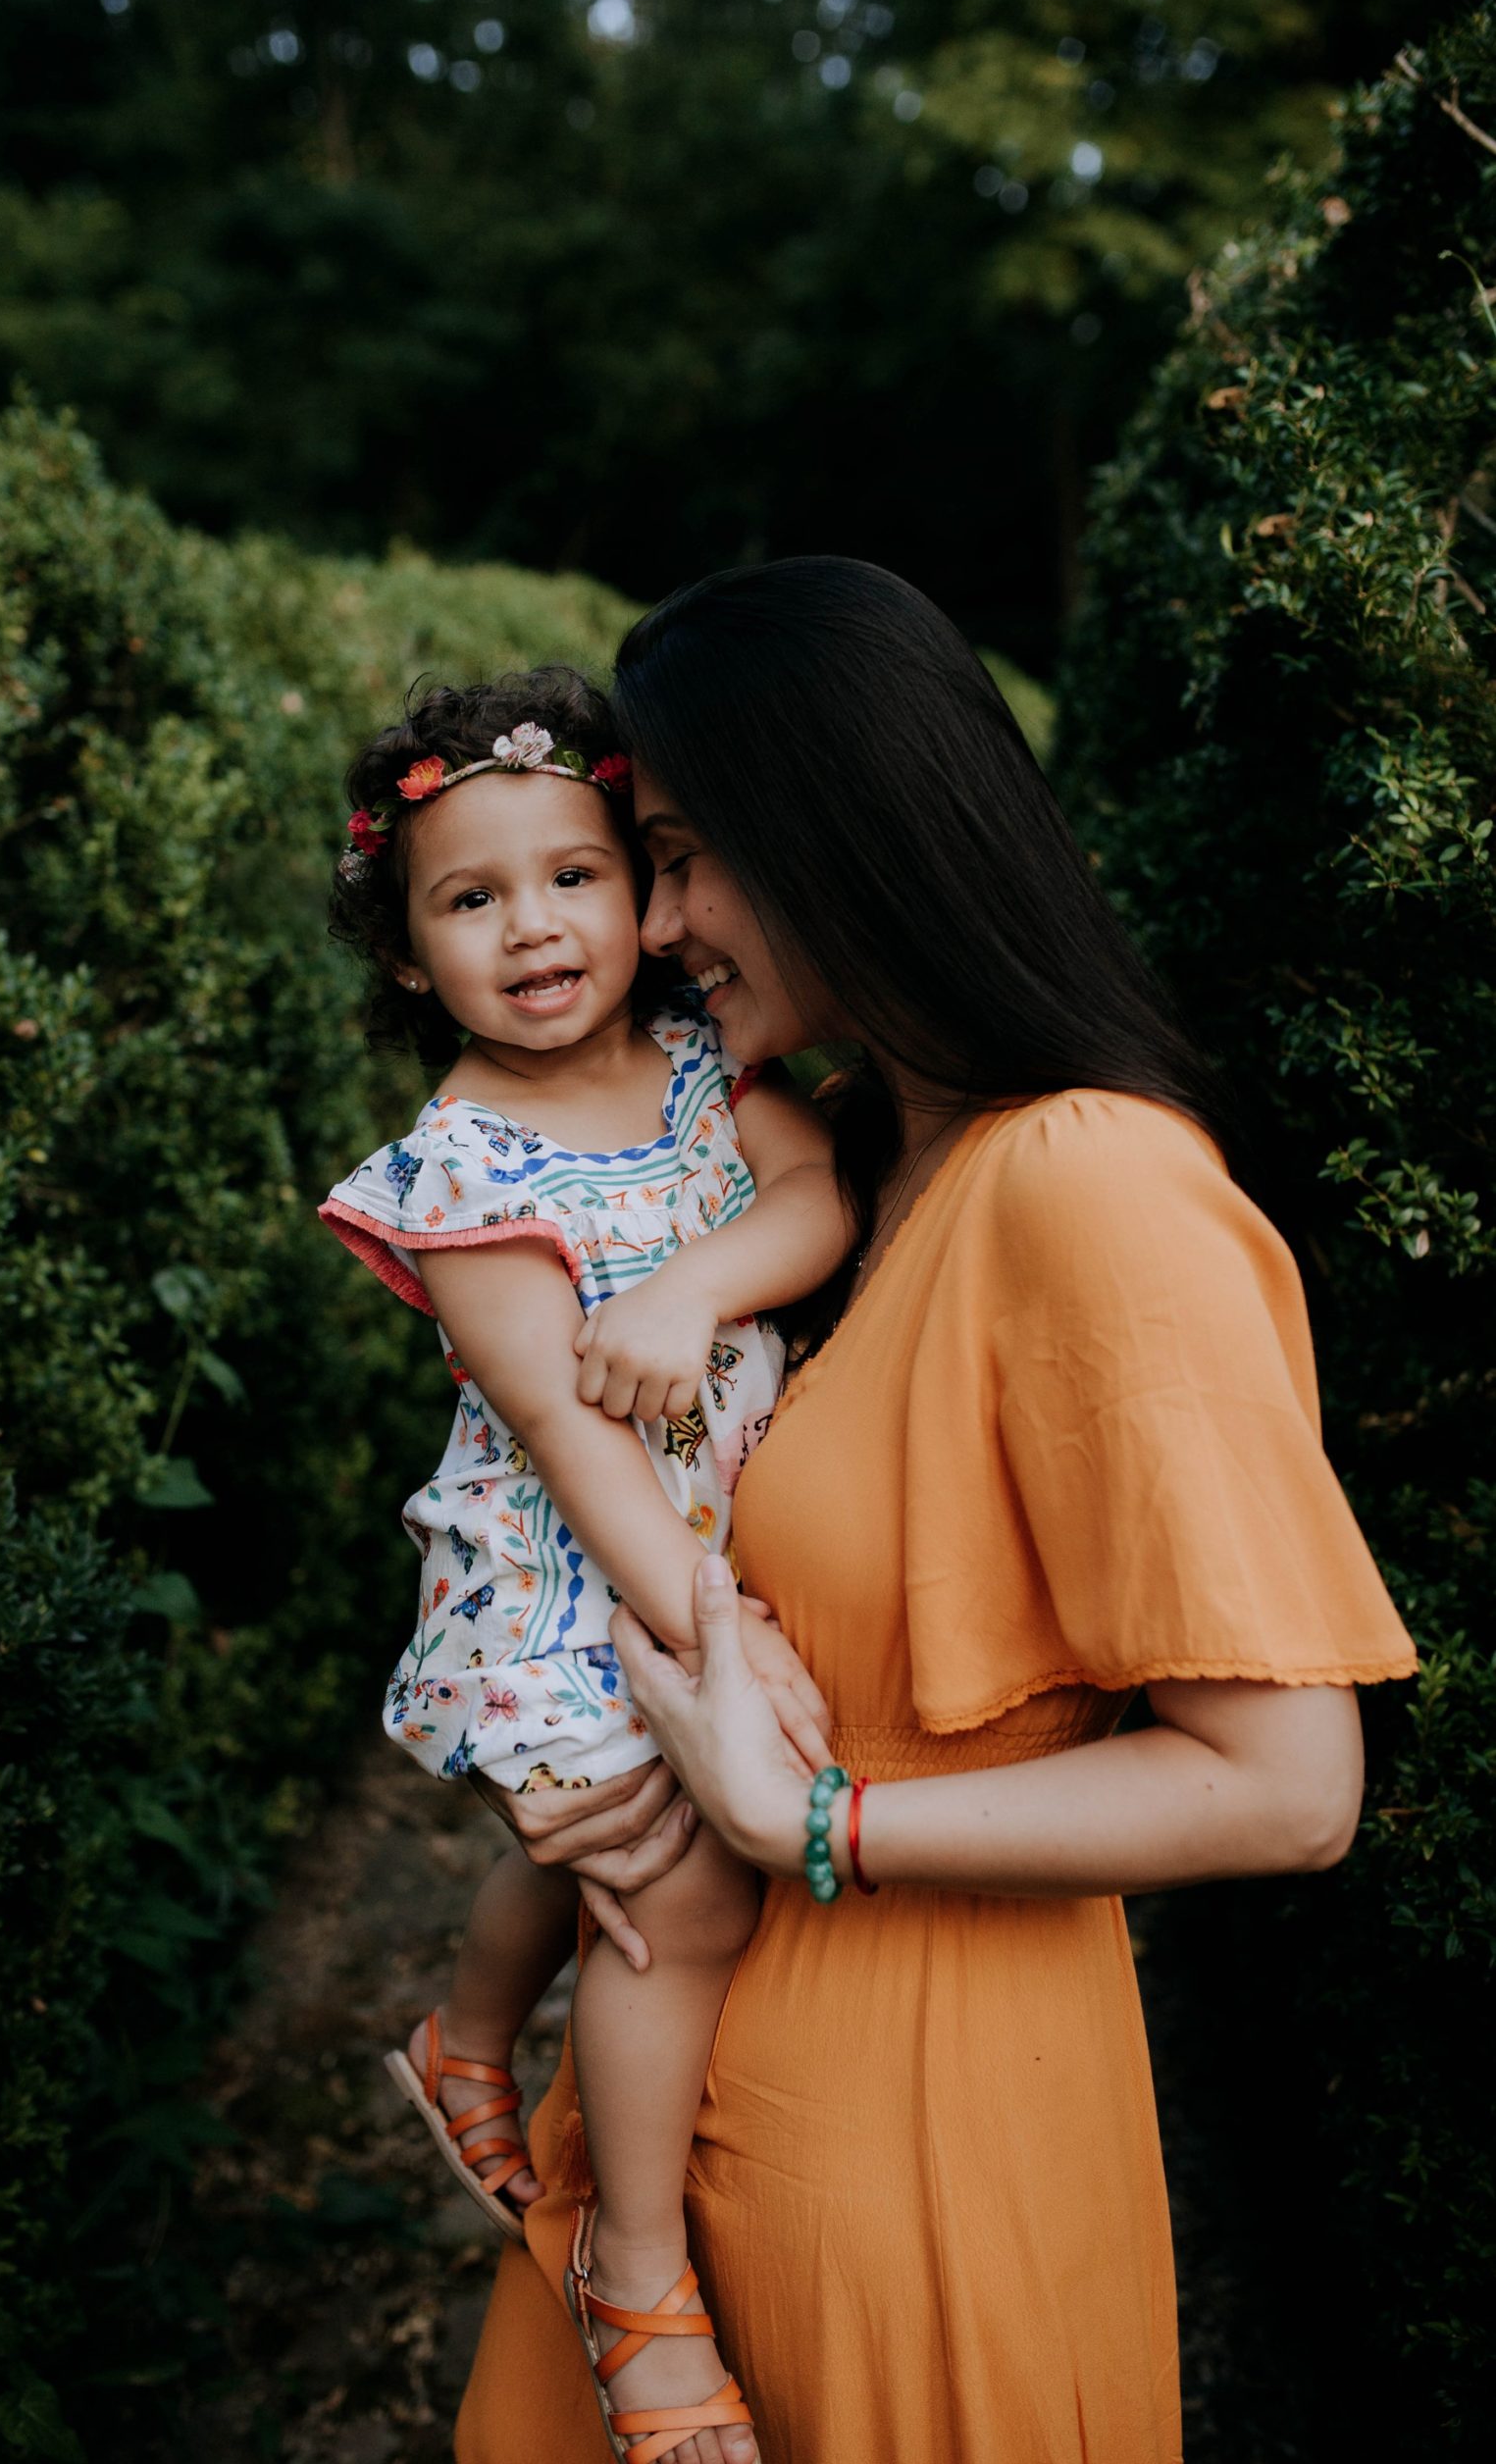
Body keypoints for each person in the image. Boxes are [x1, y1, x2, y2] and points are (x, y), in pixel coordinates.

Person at [453, 560, 1419, 2464]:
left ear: (835, 829)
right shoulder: (854, 1161)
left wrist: (803, 1812)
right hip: (706, 2106)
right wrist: (607, 1777)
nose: (654, 925)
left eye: (676, 857)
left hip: (910, 2138)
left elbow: (1283, 1780)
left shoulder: (1085, 1184)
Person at [319, 669, 850, 2464]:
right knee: (678, 1887)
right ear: (409, 958)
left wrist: (695, 1280)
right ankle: (637, 2287)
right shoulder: (459, 1173)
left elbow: (813, 1204)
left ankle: (464, 2042)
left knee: (633, 1863)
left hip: (701, 1538)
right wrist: (715, 1630)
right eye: (472, 900)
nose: (533, 926)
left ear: (642, 895)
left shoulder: (711, 1063)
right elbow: (569, 1438)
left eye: (573, 877)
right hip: (562, 1580)